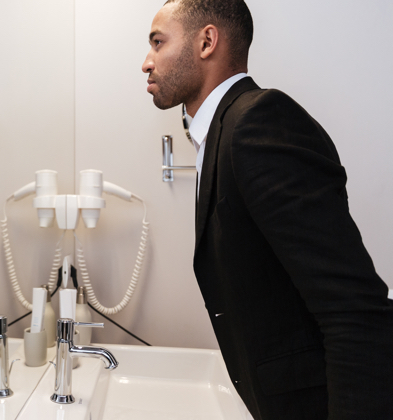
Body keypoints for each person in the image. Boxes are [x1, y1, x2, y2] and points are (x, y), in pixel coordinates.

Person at [142, 0, 393, 418]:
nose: (147, 62)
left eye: (157, 42)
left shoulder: (258, 122)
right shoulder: (221, 134)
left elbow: (355, 311)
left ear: (207, 41)